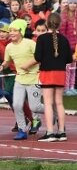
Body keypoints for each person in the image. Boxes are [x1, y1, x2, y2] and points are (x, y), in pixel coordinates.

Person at [34, 13, 72, 141]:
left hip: (47, 72)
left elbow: (37, 57)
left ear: (47, 24)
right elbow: (69, 59)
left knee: (48, 103)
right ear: (59, 24)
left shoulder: (42, 39)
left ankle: (50, 132)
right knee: (59, 103)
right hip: (60, 72)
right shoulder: (64, 39)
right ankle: (61, 132)